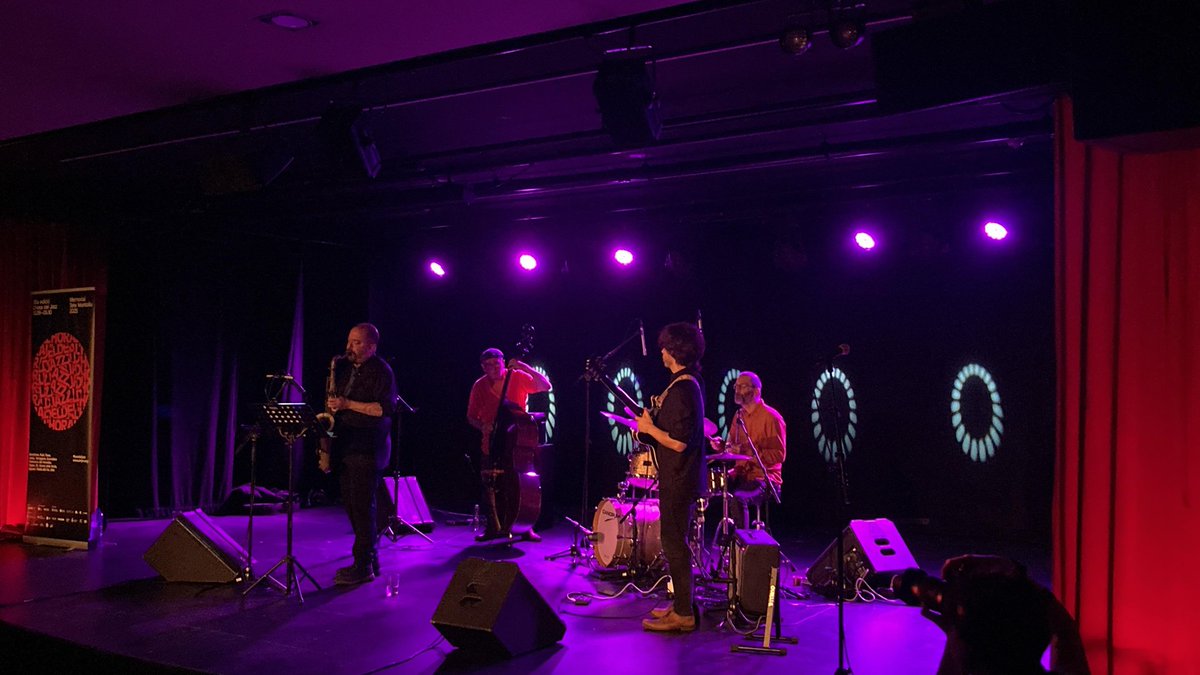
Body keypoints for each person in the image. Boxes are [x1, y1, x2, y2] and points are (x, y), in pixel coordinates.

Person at [637, 322, 706, 632]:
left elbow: (679, 442)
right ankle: (681, 605)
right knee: (674, 542)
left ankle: (684, 614)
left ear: (676, 351)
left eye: (665, 346)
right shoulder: (686, 384)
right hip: (680, 476)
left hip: (679, 478)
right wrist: (650, 426)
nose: (661, 351)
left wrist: (649, 429)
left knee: (674, 543)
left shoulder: (682, 388)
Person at [320, 323, 397, 586]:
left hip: (368, 448)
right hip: (346, 446)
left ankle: (363, 565)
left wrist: (347, 404)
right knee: (353, 508)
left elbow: (383, 409)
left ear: (371, 347)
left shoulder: (382, 371)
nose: (348, 347)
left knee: (363, 508)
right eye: (349, 341)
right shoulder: (344, 369)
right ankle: (369, 559)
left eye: (355, 342)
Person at [466, 347, 552, 542]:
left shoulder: (518, 376)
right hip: (492, 442)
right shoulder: (479, 386)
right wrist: (483, 426)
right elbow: (471, 417)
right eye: (488, 365)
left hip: (516, 442)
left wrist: (523, 366)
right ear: (483, 367)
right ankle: (493, 527)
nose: (494, 368)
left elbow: (545, 386)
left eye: (497, 363)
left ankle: (525, 525)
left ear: (503, 362)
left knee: (522, 486)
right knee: (491, 487)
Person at [710, 371, 786, 531]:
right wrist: (722, 446)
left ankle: (742, 546)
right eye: (736, 386)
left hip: (765, 479)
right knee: (704, 488)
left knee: (738, 498)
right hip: (741, 474)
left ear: (756, 391)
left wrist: (750, 453)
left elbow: (779, 455)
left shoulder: (771, 418)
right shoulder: (738, 416)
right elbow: (733, 447)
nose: (737, 390)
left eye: (742, 386)